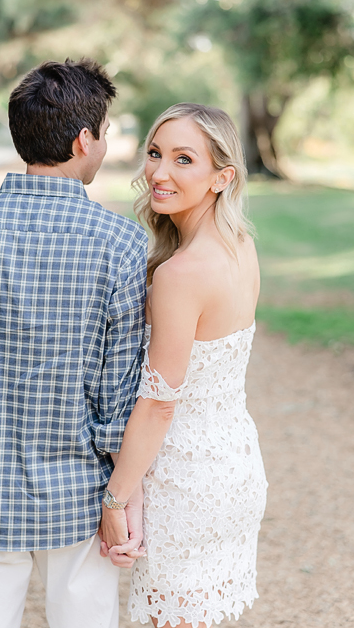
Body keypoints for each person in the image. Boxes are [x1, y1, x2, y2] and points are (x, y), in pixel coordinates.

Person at [0, 59, 148, 628]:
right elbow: (120, 392)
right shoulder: (122, 243)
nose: (106, 142)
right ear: (84, 139)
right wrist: (122, 496)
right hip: (83, 491)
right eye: (105, 131)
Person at [99, 103, 268, 627]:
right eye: (155, 153)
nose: (160, 173)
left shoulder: (181, 274)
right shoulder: (241, 246)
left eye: (183, 159)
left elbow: (157, 407)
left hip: (186, 483)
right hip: (235, 465)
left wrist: (115, 500)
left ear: (222, 177)